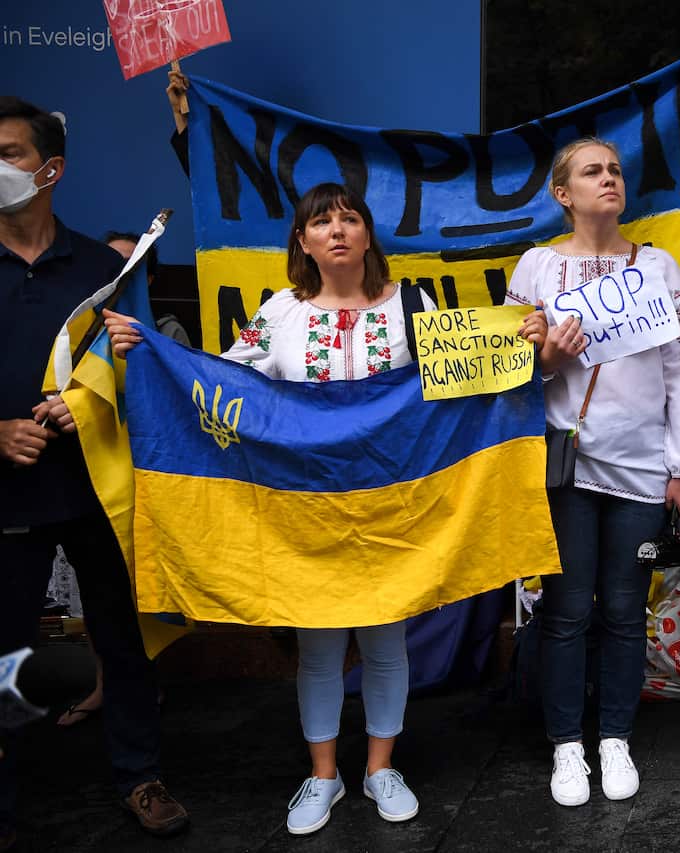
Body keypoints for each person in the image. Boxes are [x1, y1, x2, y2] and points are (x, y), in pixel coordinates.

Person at [107, 183, 474, 835]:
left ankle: (381, 767)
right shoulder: (279, 312)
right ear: (301, 241)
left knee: (387, 641)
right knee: (320, 645)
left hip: (390, 505)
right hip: (305, 510)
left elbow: (467, 382)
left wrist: (533, 347)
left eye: (350, 217)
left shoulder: (414, 307)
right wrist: (154, 355)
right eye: (321, 220)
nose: (337, 228)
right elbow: (224, 381)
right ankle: (324, 774)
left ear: (368, 236)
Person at [0, 97, 189, 843]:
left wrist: (102, 396)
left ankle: (140, 777)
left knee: (123, 638)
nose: (0, 166)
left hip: (100, 492)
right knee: (7, 656)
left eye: (11, 153)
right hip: (9, 500)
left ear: (51, 169)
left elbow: (144, 368)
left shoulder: (106, 267)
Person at [506, 138, 680, 807]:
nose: (609, 179)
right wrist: (547, 363)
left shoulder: (658, 266)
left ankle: (614, 737)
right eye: (592, 171)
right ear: (563, 194)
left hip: (643, 470)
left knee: (625, 611)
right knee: (565, 612)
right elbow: (504, 375)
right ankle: (567, 745)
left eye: (615, 170)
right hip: (566, 469)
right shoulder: (535, 267)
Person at [57, 232, 186, 728]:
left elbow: (177, 395)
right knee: (92, 597)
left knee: (123, 591)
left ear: (146, 278)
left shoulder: (165, 333)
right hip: (63, 473)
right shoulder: (73, 330)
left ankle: (138, 694)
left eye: (124, 267)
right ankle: (102, 685)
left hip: (135, 477)